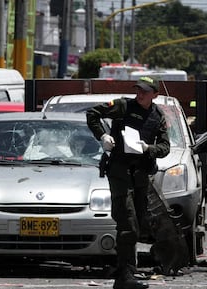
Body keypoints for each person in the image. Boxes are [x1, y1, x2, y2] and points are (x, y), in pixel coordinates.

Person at [86, 76, 170, 289]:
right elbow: (92, 114)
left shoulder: (158, 116)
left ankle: (126, 272)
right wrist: (103, 136)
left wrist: (148, 149)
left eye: (144, 91)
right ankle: (125, 276)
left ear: (155, 95)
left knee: (138, 225)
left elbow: (165, 147)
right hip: (120, 172)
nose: (139, 94)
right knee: (127, 225)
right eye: (138, 90)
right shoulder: (123, 105)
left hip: (140, 175)